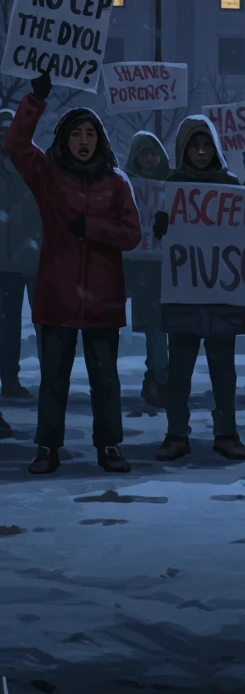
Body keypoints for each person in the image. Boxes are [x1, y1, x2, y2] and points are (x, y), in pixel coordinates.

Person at [5, 73, 141, 475]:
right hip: (58, 294)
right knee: (54, 381)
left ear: (100, 140)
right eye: (76, 134)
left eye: (90, 134)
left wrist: (94, 228)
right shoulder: (48, 175)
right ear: (64, 139)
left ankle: (110, 445)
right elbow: (15, 144)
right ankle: (47, 446)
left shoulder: (118, 183)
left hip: (103, 298)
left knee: (105, 380)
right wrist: (35, 98)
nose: (84, 141)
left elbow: (132, 234)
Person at [152, 115, 245, 463]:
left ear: (215, 148)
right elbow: (159, 245)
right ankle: (176, 433)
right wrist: (161, 228)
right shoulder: (172, 186)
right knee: (178, 372)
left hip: (222, 296)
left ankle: (226, 433)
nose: (200, 151)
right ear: (183, 149)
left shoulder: (232, 185)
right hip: (184, 296)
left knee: (224, 371)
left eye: (206, 144)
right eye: (194, 145)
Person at [122, 130, 170, 408]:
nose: (150, 158)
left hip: (168, 265)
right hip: (140, 265)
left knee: (164, 327)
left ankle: (159, 376)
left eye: (153, 153)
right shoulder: (126, 184)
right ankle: (158, 378)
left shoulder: (173, 185)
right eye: (144, 153)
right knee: (155, 327)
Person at [0, 107, 41, 416]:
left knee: (45, 322)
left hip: (37, 256)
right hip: (6, 259)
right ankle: (10, 378)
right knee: (8, 324)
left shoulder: (36, 165)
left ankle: (52, 376)